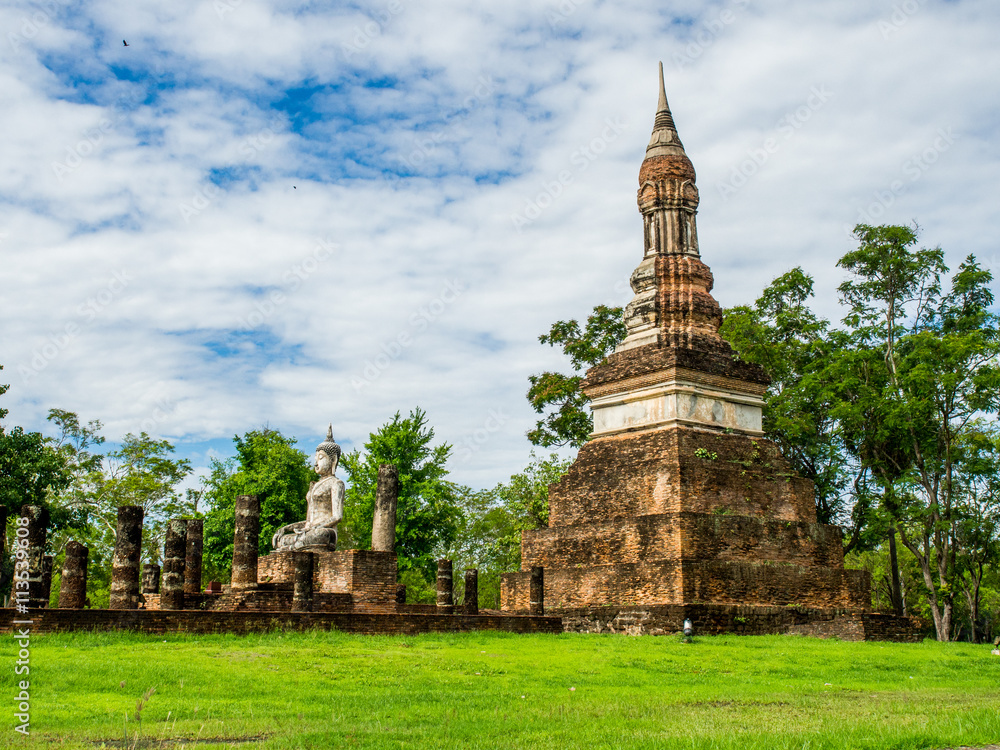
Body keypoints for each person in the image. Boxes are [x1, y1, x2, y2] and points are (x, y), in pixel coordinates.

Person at [271, 425, 345, 551]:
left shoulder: (336, 483)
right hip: (307, 532)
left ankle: (293, 547)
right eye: (316, 458)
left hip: (325, 532)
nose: (316, 463)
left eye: (321, 458)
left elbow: (337, 516)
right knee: (283, 538)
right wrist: (285, 528)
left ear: (333, 460)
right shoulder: (314, 486)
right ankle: (293, 545)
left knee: (318, 535)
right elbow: (308, 521)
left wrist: (315, 528)